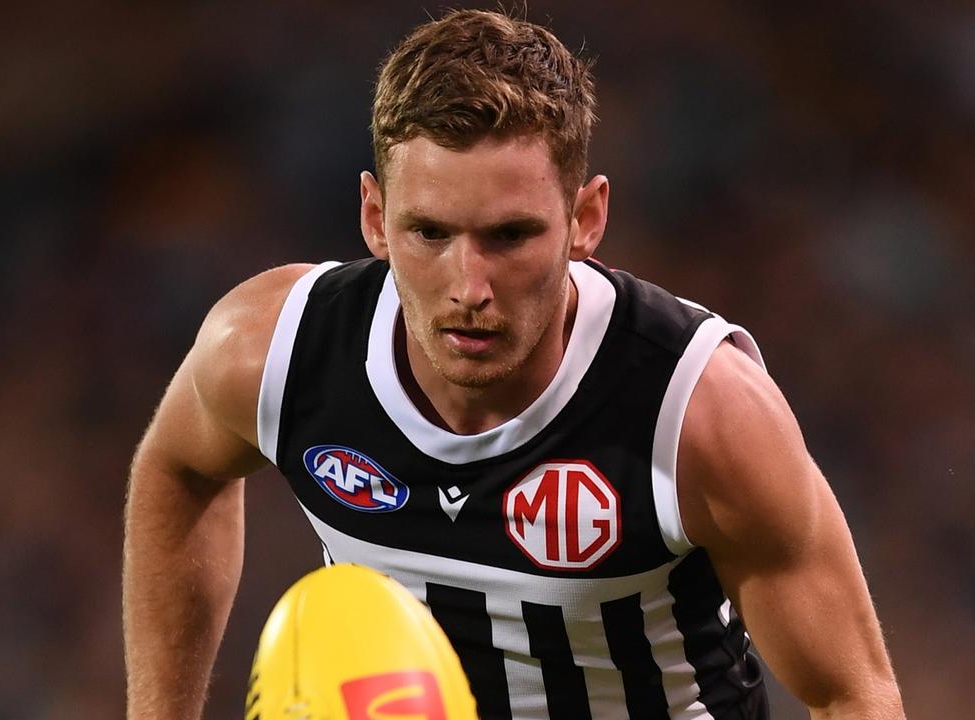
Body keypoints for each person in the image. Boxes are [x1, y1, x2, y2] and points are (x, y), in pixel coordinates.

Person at [123, 9, 905, 720]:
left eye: (510, 236)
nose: (469, 288)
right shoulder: (274, 351)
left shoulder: (699, 413)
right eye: (429, 232)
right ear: (374, 218)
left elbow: (853, 693)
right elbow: (178, 470)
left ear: (585, 219)